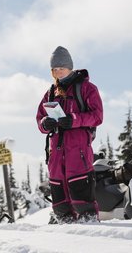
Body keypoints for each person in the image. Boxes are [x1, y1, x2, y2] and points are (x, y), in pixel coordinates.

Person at [36, 46, 103, 223]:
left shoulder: (87, 89)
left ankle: (88, 220)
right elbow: (40, 119)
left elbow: (97, 116)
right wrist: (45, 124)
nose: (58, 73)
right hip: (57, 152)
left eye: (61, 68)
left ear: (70, 67)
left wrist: (74, 120)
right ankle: (64, 221)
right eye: (55, 69)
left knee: (80, 187)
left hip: (78, 150)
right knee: (59, 192)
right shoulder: (51, 93)